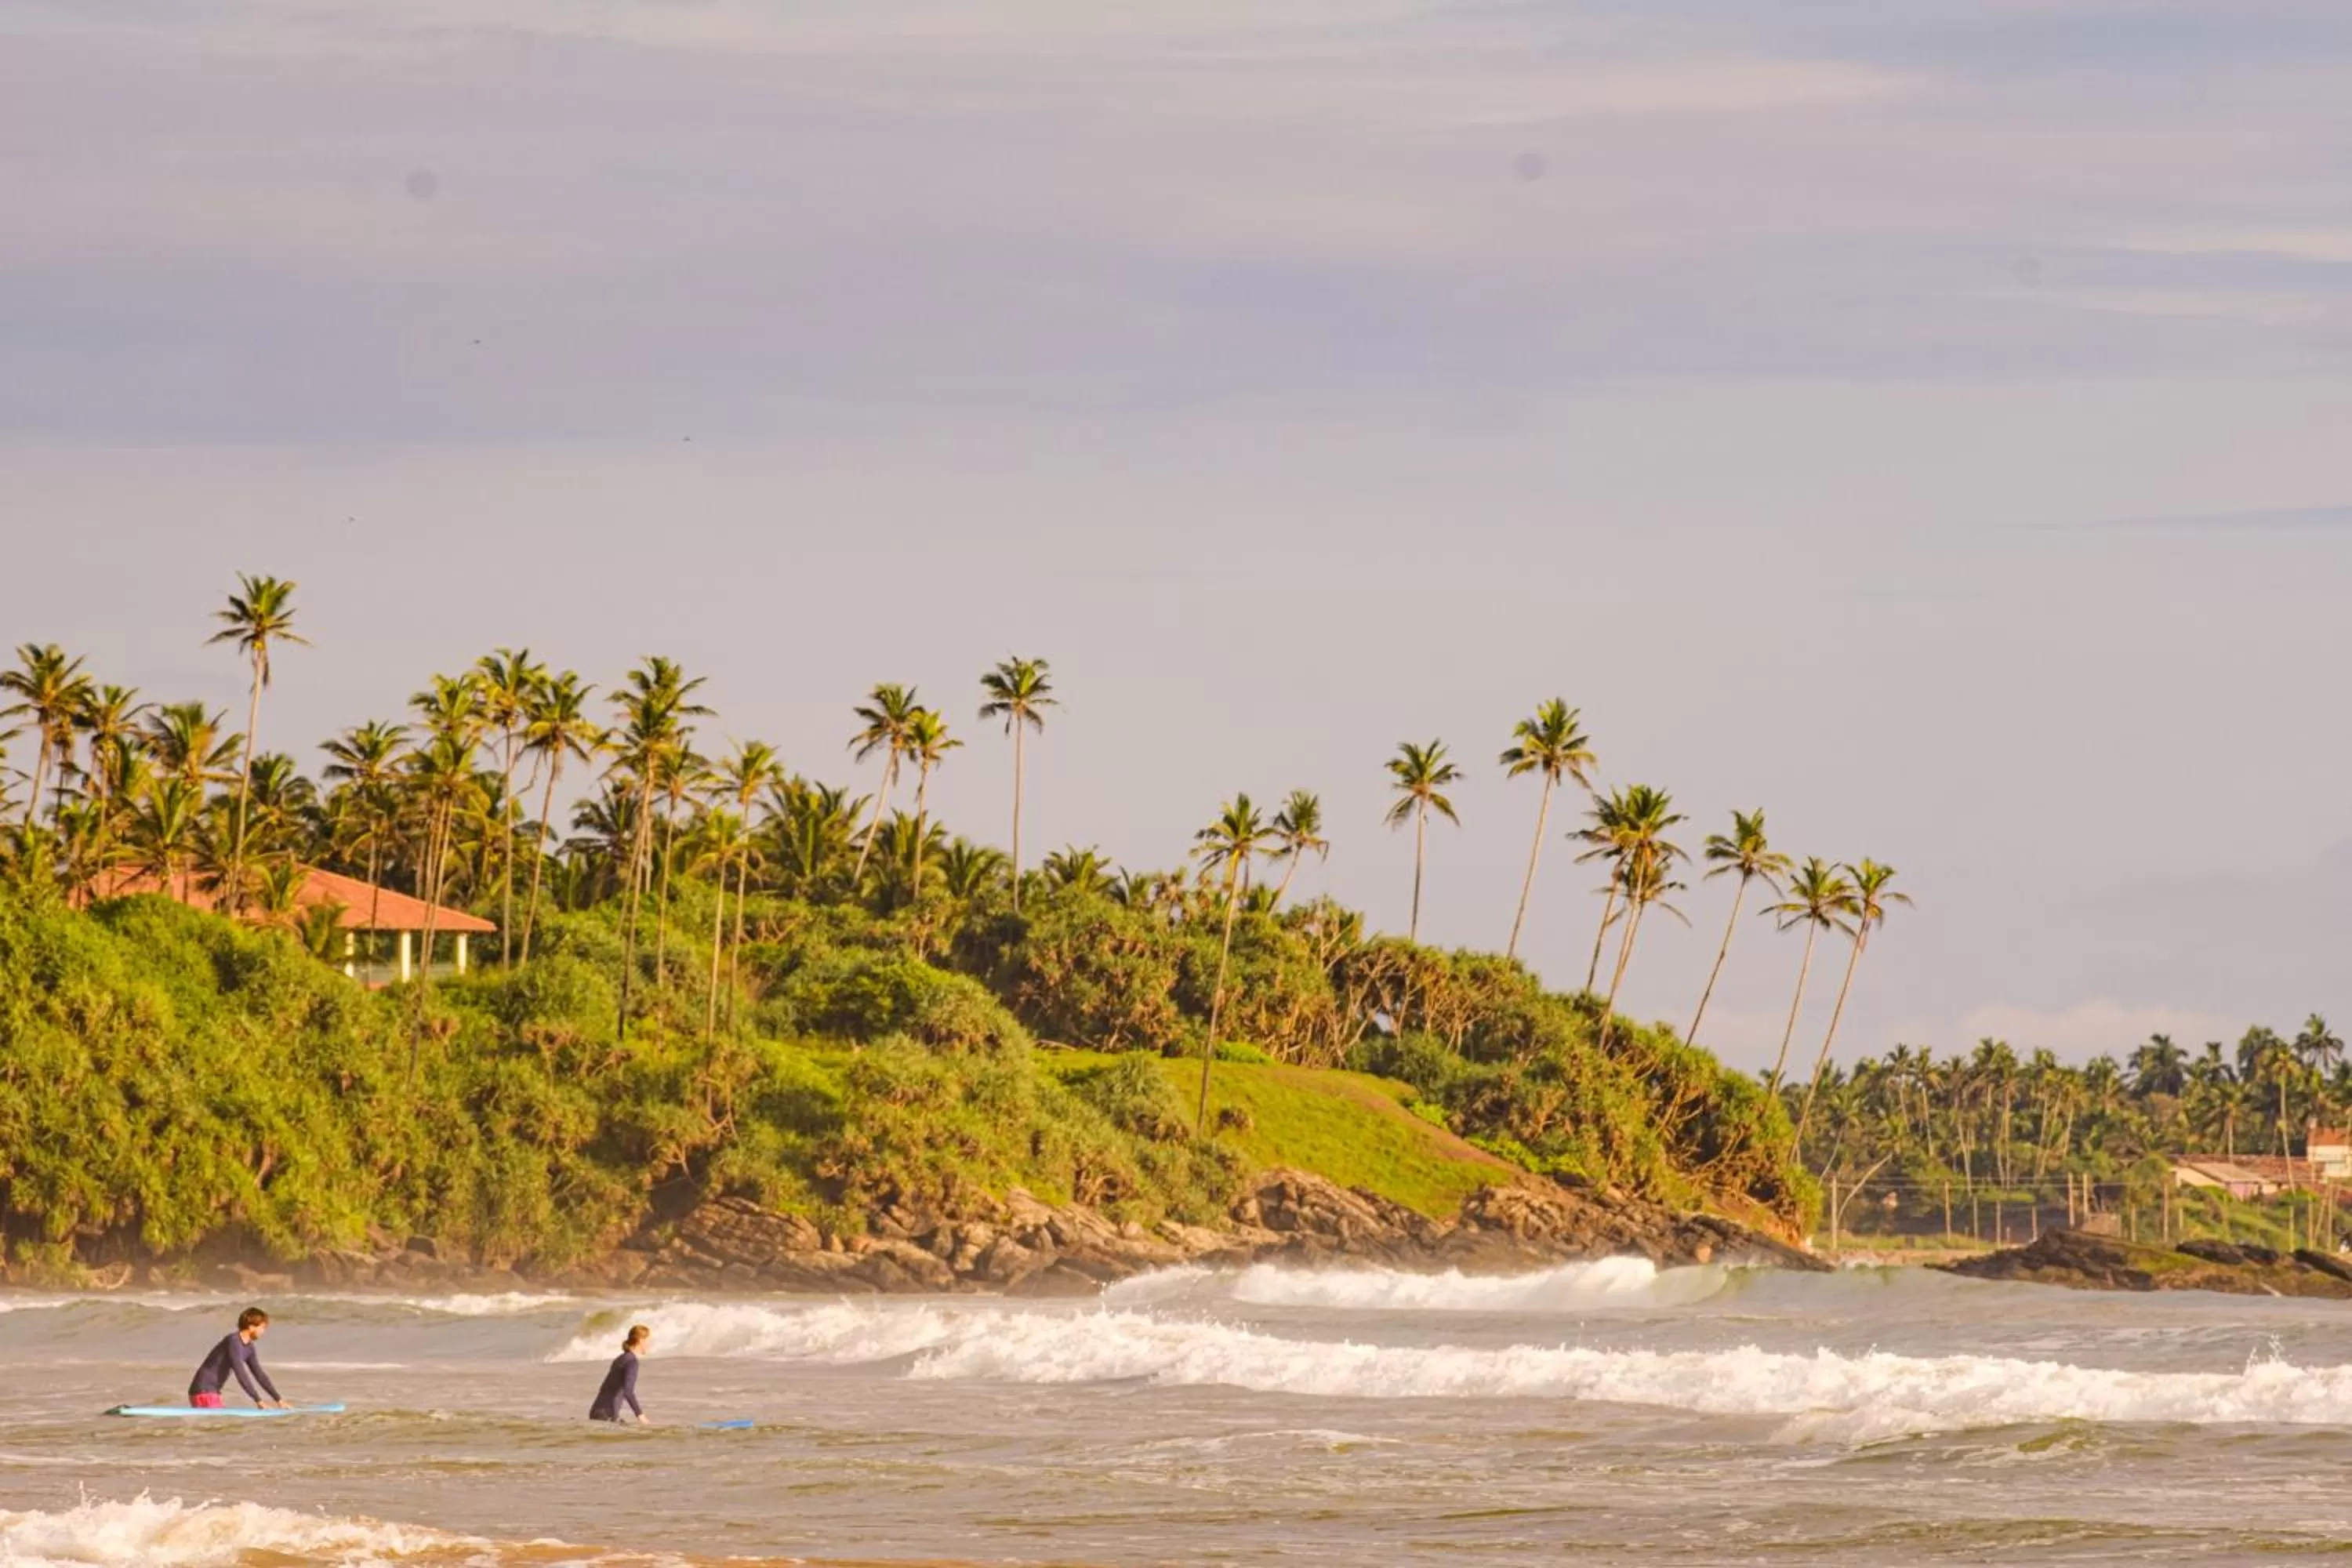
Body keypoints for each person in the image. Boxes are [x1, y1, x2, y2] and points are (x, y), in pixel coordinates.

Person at [191, 1306, 286, 1409]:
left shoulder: (249, 1348)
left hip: (212, 1392)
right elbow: (240, 1373)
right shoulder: (233, 1341)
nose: (263, 1332)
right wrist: (258, 1400)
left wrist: (279, 1400)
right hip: (204, 1390)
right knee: (221, 1419)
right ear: (251, 1327)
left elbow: (260, 1375)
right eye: (262, 1328)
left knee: (221, 1418)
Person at [590, 1324, 654, 1425]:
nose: (649, 1345)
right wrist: (640, 1415)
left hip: (596, 1411)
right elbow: (628, 1391)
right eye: (648, 1341)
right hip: (608, 1414)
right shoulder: (632, 1361)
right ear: (641, 1340)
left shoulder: (620, 1359)